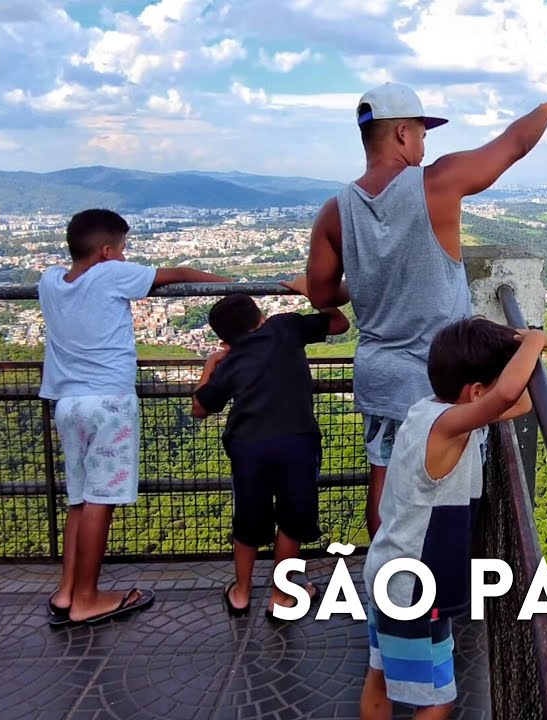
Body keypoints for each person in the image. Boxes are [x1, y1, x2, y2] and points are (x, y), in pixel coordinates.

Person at [304, 81, 547, 538]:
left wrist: (369, 280)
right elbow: (511, 146)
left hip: (379, 372)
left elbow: (321, 295)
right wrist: (545, 110)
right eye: (423, 134)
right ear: (403, 133)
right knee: (445, 495)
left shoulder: (335, 211)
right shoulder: (438, 182)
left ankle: (388, 584)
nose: (426, 144)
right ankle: (436, 595)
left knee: (385, 482)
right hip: (441, 374)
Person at [41, 208, 229, 625]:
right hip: (108, 402)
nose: (127, 259)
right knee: (99, 503)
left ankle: (67, 592)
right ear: (107, 251)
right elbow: (175, 272)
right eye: (123, 250)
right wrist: (232, 285)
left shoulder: (50, 281)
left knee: (78, 501)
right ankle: (88, 599)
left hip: (66, 403)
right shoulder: (109, 273)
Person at [360, 318, 547, 720]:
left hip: (393, 573)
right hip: (413, 588)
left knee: (380, 673)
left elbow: (520, 402)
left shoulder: (426, 411)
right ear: (477, 392)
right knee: (437, 699)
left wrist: (514, 345)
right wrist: (532, 340)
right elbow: (508, 395)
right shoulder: (447, 427)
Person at [190, 284, 350, 618]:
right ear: (260, 317)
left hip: (248, 446)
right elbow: (338, 324)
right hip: (297, 440)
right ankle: (282, 594)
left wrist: (211, 365)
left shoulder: (231, 361)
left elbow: (200, 408)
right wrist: (312, 291)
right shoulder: (284, 327)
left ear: (225, 338)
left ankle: (241, 593)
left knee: (247, 520)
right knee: (292, 521)